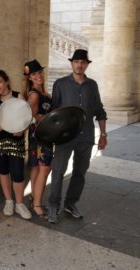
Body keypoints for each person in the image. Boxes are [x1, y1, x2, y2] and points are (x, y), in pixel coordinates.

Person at [48, 49, 107, 224]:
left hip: (86, 137)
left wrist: (103, 134)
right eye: (76, 61)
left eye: (83, 62)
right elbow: (54, 112)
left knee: (80, 173)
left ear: (87, 64)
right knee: (57, 172)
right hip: (64, 138)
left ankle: (70, 203)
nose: (79, 65)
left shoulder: (92, 85)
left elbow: (100, 112)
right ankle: (53, 206)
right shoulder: (60, 84)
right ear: (71, 63)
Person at [0, 70, 32, 220]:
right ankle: (9, 201)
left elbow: (26, 118)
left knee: (18, 173)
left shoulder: (18, 96)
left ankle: (19, 204)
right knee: (3, 171)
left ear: (6, 81)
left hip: (16, 141)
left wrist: (22, 130)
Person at [24, 59, 52, 219]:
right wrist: (50, 117)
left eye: (40, 72)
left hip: (42, 136)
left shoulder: (43, 93)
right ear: (29, 78)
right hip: (41, 136)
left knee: (36, 168)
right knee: (45, 168)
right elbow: (31, 117)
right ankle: (37, 205)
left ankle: (34, 198)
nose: (38, 75)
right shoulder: (34, 94)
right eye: (34, 74)